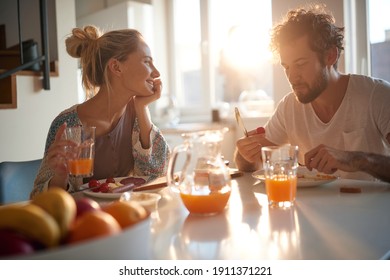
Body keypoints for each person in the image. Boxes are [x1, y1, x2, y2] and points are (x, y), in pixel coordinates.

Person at [234, 4, 390, 181]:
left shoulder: (376, 95)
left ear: (330, 56)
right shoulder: (289, 107)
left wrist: (356, 159)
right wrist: (244, 153)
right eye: (287, 67)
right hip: (309, 208)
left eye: (300, 64)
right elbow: (253, 163)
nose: (292, 77)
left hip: (371, 208)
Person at [31, 26, 170, 198]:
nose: (156, 73)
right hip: (85, 220)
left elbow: (158, 176)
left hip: (128, 215)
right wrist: (60, 177)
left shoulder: (137, 117)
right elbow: (39, 198)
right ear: (116, 67)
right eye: (147, 62)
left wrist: (142, 108)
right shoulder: (67, 125)